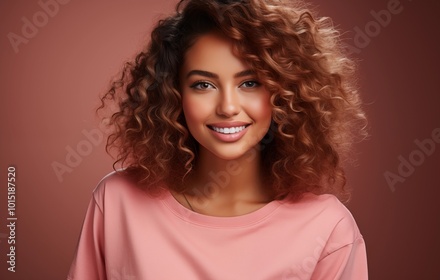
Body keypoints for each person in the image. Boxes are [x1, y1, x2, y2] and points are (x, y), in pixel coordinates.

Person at [67, 0, 368, 279]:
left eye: (250, 83)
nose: (227, 107)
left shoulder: (327, 229)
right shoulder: (118, 202)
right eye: (203, 84)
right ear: (174, 95)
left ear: (285, 93)